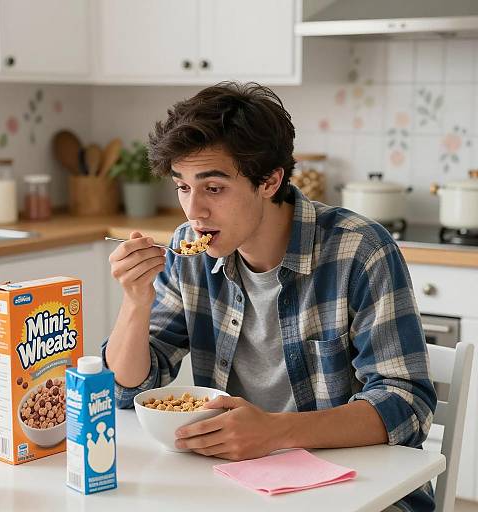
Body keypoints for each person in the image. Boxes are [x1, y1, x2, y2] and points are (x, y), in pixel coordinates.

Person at [102, 82, 436, 511]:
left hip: (360, 490)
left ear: (270, 180)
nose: (194, 210)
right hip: (235, 485)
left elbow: (406, 403)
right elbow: (128, 390)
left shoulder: (359, 250)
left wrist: (276, 431)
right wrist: (135, 300)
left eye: (214, 188)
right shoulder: (190, 251)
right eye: (182, 186)